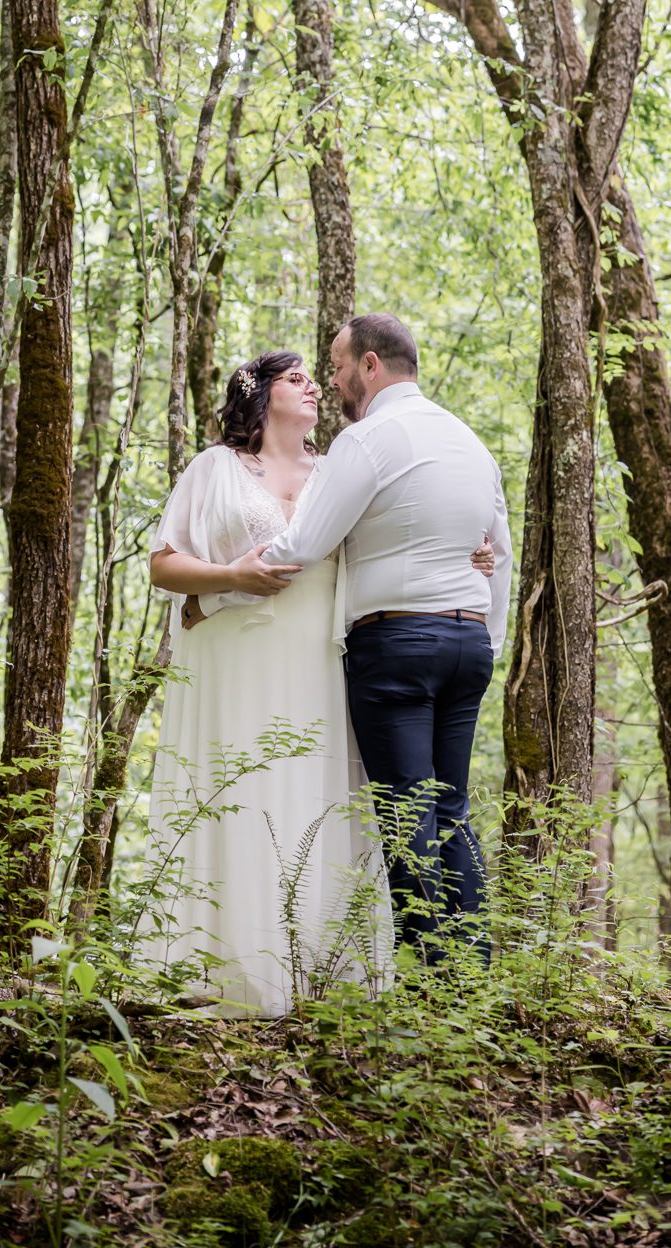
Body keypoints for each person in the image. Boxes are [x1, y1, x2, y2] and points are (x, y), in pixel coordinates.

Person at [139, 349, 496, 1014]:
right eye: (296, 378)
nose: (314, 388)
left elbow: (403, 533)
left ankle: (325, 975)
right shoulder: (212, 468)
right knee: (240, 790)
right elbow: (164, 564)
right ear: (258, 391)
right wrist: (225, 582)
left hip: (320, 661)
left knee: (318, 794)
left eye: (316, 377)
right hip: (233, 659)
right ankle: (226, 971)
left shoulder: (341, 469)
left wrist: (469, 551)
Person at [215, 313, 514, 965]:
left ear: (371, 366)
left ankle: (431, 982)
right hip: (466, 647)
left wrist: (225, 582)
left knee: (407, 810)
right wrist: (487, 640)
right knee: (451, 808)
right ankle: (475, 972)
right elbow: (502, 556)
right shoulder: (470, 443)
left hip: (398, 647)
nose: (334, 378)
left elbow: (308, 543)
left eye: (339, 363)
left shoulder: (367, 440)